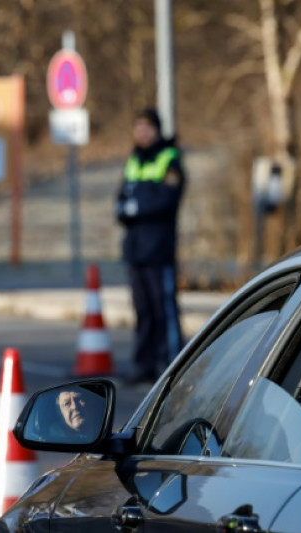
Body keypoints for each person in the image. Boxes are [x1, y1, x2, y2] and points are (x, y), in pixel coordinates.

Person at [115, 108, 186, 385]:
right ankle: (143, 365)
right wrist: (132, 208)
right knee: (142, 310)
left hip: (159, 248)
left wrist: (136, 207)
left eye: (147, 128)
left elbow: (166, 201)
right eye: (138, 127)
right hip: (135, 249)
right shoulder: (134, 160)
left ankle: (173, 365)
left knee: (163, 309)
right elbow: (120, 204)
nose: (142, 133)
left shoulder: (170, 159)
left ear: (157, 130)